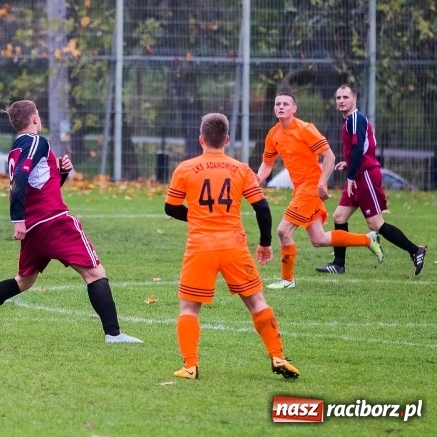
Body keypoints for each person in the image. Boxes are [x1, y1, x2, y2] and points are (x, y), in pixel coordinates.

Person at [0, 100, 142, 343]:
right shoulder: (36, 141)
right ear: (34, 119)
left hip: (36, 226)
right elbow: (19, 178)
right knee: (95, 272)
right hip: (53, 222)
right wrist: (17, 219)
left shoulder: (17, 148)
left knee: (24, 281)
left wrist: (60, 173)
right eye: (38, 114)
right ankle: (113, 334)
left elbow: (36, 185)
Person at [165, 113, 299, 380]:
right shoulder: (240, 169)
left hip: (200, 246)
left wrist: (196, 216)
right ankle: (277, 356)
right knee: (257, 302)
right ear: (226, 139)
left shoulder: (185, 168)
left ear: (201, 139)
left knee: (189, 308)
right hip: (234, 247)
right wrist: (264, 243)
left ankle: (190, 366)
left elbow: (170, 207)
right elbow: (261, 207)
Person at [255, 92, 384, 289]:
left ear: (294, 109)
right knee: (319, 239)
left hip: (311, 187)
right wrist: (257, 179)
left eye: (285, 104)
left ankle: (287, 280)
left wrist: (321, 183)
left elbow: (329, 157)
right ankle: (367, 240)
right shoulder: (273, 134)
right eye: (277, 104)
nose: (280, 107)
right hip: (300, 189)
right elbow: (267, 164)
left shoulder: (305, 129)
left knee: (283, 230)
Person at [316, 84, 427, 275]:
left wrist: (350, 176)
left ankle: (415, 250)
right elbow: (360, 148)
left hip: (365, 175)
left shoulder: (354, 119)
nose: (341, 101)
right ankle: (338, 264)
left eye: (345, 97)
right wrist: (348, 163)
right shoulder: (353, 120)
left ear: (354, 100)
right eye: (338, 98)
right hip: (358, 173)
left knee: (375, 224)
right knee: (339, 217)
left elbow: (360, 149)